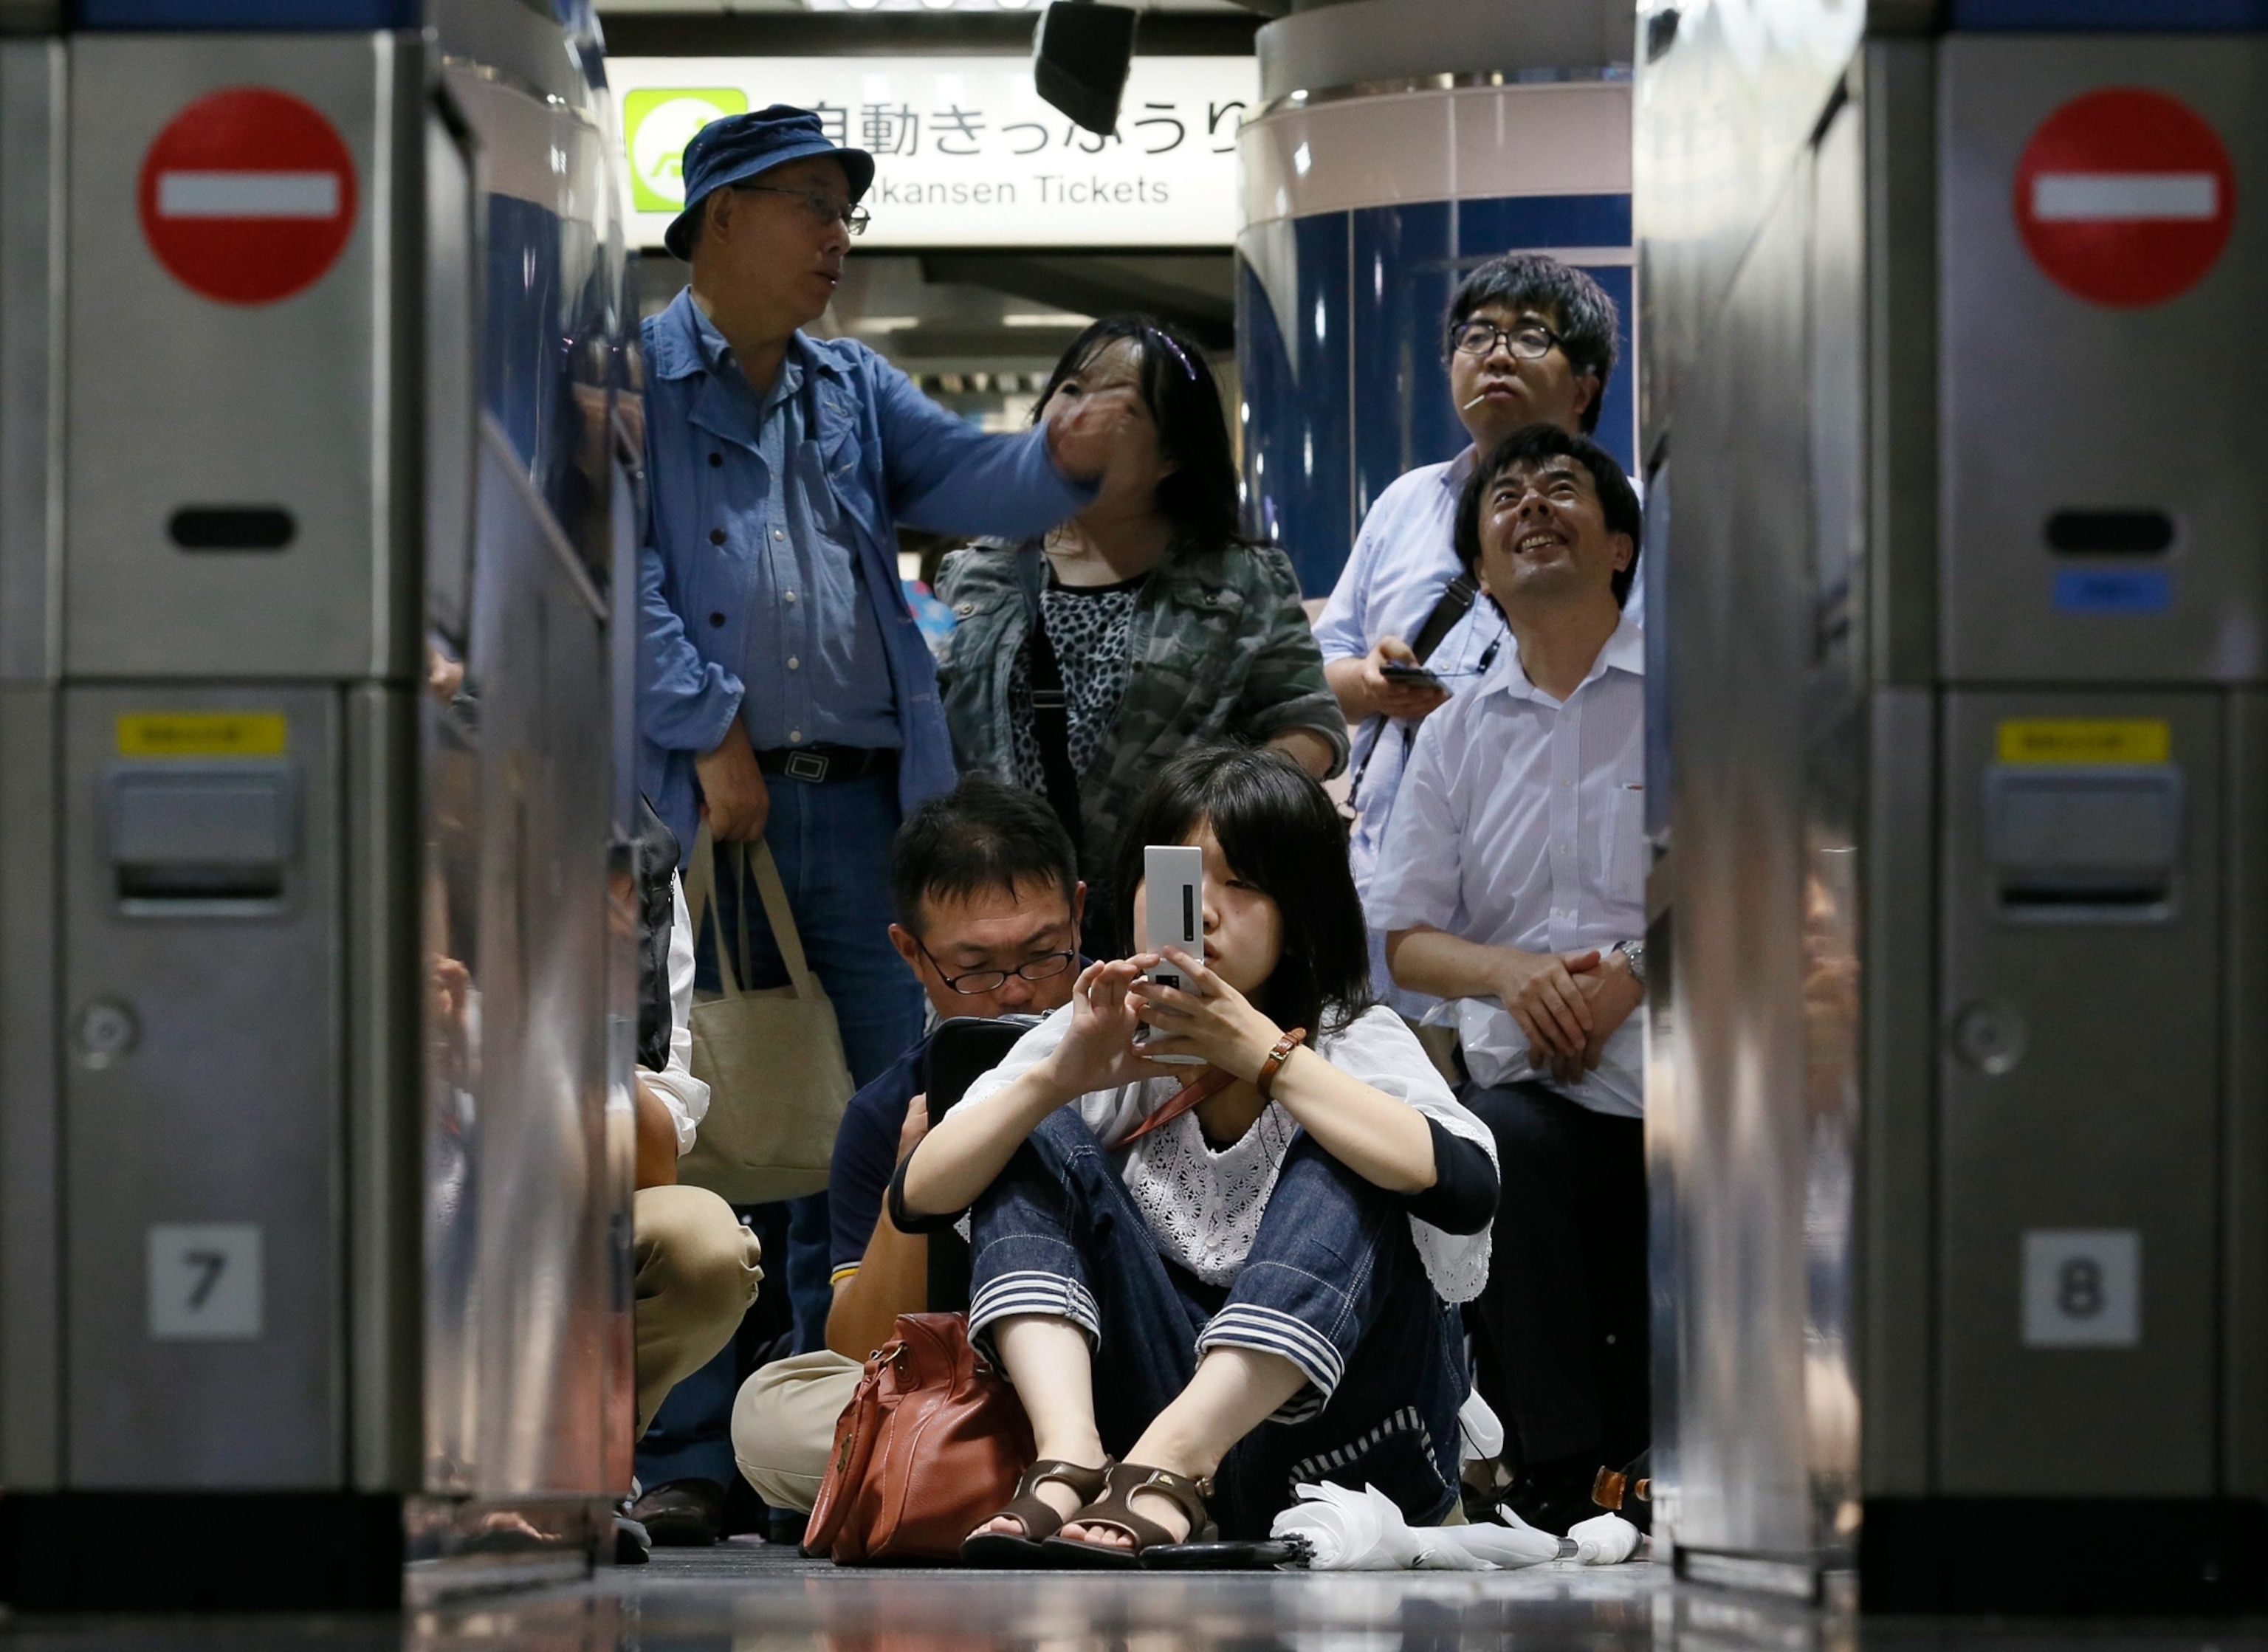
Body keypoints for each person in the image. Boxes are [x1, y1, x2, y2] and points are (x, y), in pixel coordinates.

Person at [634, 105, 1135, 1502]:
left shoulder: (846, 386)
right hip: (709, 809)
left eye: (846, 211)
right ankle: (688, 1452)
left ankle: (840, 1428)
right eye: (811, 206)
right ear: (722, 217)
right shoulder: (628, 381)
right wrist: (703, 721)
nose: (837, 239)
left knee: (858, 1111)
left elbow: (977, 476)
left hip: (865, 804)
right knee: (718, 1114)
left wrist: (1068, 447)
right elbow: (614, 570)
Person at [895, 748, 1499, 1562]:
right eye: (1181, 882)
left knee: (1357, 1144)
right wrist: (1055, 1082)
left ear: (1300, 914)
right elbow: (919, 1197)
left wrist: (1274, 1063)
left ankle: (1174, 1462)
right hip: (1130, 1454)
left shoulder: (1352, 1039)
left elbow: (1466, 1189)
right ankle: (1069, 1455)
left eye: (1244, 887)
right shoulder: (1098, 1037)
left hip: (1347, 1456)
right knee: (1027, 1129)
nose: (1206, 914)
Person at [1369, 424, 1648, 1535]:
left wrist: (1632, 969)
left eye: (1562, 488)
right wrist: (1518, 975)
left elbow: (1754, 863)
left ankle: (1670, 1454)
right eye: (1506, 499)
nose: (1531, 507)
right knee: (1498, 1148)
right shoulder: (1458, 733)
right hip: (1538, 1082)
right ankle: (1558, 1468)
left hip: (1693, 1066)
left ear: (1620, 544)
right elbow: (1407, 935)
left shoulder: (1690, 698)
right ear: (1482, 570)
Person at [728, 777, 1085, 1515]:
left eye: (1044, 954)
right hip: (965, 1385)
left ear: (1080, 916)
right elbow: (859, 1347)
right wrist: (911, 1189)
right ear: (911, 955)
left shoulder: (1135, 1051)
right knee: (769, 1415)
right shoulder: (886, 1110)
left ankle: (981, 1480)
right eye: (976, 967)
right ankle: (1043, 1468)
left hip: (1125, 1355)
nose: (1016, 993)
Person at [935, 317, 1346, 957]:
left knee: (1170, 1039)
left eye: (1120, 404)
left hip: (1174, 884)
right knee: (1007, 1054)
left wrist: (1213, 831)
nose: (1081, 414)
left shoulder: (1239, 579)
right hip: (999, 898)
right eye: (1071, 389)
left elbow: (1311, 726)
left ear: (1174, 453)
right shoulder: (975, 573)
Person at [1314, 255, 1622, 1003]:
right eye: (1477, 334)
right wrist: (1372, 685)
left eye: (1528, 336)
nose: (1494, 352)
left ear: (1584, 386)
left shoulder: (1626, 518)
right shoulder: (1404, 504)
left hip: (1543, 918)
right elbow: (1315, 677)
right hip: (1381, 902)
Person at [622, 805, 766, 1546]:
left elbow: (654, 1160)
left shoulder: (632, 852)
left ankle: (569, 1464)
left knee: (703, 1245)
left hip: (547, 1196)